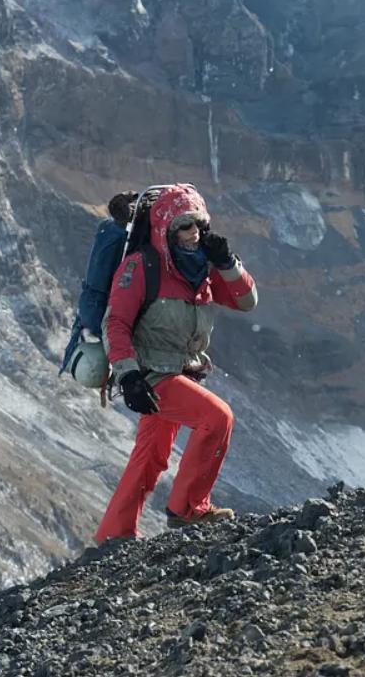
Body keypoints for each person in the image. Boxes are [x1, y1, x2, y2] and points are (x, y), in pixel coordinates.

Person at [95, 183, 257, 541]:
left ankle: (112, 537)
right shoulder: (141, 266)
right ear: (165, 229)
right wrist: (129, 376)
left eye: (198, 225)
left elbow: (246, 301)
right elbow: (116, 323)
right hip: (152, 375)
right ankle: (188, 510)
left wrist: (228, 263)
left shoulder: (203, 268)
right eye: (184, 226)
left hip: (182, 372)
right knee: (217, 418)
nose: (193, 234)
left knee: (150, 456)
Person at [60, 190, 138, 398]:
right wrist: (116, 225)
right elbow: (98, 274)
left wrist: (118, 225)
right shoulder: (93, 318)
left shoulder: (110, 332)